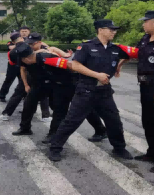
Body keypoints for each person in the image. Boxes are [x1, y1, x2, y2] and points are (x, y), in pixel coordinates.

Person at [47, 20, 133, 163]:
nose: (114, 32)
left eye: (115, 29)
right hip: (86, 90)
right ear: (100, 30)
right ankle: (55, 148)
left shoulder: (115, 48)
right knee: (71, 121)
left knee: (114, 121)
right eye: (111, 29)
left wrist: (119, 66)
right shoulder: (87, 46)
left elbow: (129, 56)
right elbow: (75, 65)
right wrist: (96, 75)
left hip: (104, 91)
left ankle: (119, 148)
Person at [113, 10, 154, 173]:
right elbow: (137, 53)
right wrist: (120, 64)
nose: (143, 24)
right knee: (148, 122)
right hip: (145, 87)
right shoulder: (145, 39)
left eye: (146, 21)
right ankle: (153, 153)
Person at [11, 38, 71, 136]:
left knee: (58, 108)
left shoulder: (48, 57)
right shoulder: (23, 58)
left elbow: (70, 67)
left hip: (56, 84)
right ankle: (25, 128)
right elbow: (23, 70)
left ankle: (53, 134)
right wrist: (26, 85)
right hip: (39, 84)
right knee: (28, 104)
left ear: (26, 58)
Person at [0, 30, 26, 102]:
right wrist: (20, 44)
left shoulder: (25, 41)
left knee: (23, 80)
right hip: (12, 65)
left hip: (22, 65)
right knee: (9, 80)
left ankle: (25, 95)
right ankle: (2, 96)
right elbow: (10, 47)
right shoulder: (10, 43)